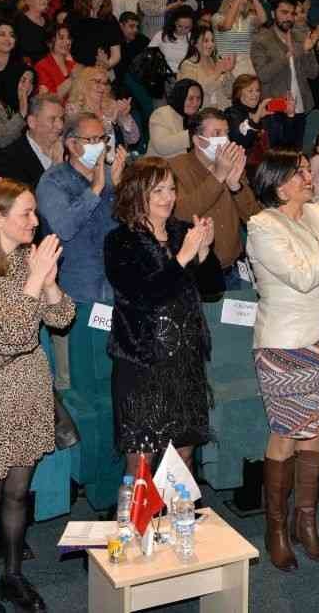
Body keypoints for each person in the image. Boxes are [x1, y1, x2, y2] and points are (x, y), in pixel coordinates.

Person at [0, 180, 74, 613]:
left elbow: (60, 319)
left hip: (28, 383)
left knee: (19, 492)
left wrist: (51, 284)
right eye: (25, 214)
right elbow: (5, 334)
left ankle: (12, 576)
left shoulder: (30, 261)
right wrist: (36, 279)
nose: (35, 221)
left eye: (34, 213)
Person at [245, 151, 319, 571]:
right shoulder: (262, 226)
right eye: (301, 173)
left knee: (315, 432)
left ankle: (305, 523)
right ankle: (275, 529)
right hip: (285, 344)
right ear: (280, 185)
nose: (310, 177)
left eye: (308, 171)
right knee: (286, 433)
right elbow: (302, 275)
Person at [103, 158, 217, 471]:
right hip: (142, 364)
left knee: (183, 457)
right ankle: (135, 522)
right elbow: (144, 296)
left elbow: (212, 288)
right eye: (158, 190)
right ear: (138, 194)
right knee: (142, 462)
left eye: (171, 189)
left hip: (184, 363)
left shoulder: (182, 231)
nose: (168, 197)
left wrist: (205, 251)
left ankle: (178, 521)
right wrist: (182, 259)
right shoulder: (120, 241)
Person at [37, 112, 127, 303]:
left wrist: (121, 189)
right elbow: (65, 228)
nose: (100, 145)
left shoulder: (113, 176)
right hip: (75, 292)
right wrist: (95, 189)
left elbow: (130, 228)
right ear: (71, 144)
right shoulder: (53, 182)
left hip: (115, 286)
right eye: (92, 139)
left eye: (102, 138)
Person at [169, 109, 263, 272]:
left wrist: (236, 186)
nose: (224, 140)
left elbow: (254, 217)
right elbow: (182, 213)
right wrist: (218, 175)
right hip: (199, 270)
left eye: (226, 133)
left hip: (235, 264)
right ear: (198, 141)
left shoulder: (232, 163)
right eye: (217, 133)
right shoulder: (176, 167)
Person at [250, 0, 319, 151]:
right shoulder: (261, 40)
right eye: (284, 12)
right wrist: (290, 55)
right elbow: (263, 75)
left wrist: (308, 51)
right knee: (278, 157)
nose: (289, 17)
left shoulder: (300, 37)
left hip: (300, 105)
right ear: (272, 13)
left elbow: (313, 73)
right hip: (275, 107)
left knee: (296, 154)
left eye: (292, 13)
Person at [0, 91, 63, 190]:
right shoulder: (10, 158)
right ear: (32, 122)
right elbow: (30, 199)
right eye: (53, 119)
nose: (60, 125)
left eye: (61, 119)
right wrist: (56, 166)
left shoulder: (66, 149)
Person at [178, 26, 236, 110]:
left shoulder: (216, 61)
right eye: (206, 41)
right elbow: (194, 93)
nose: (211, 44)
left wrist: (228, 72)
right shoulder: (188, 65)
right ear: (194, 43)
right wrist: (216, 74)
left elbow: (230, 93)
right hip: (202, 114)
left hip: (223, 111)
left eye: (212, 41)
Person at [149, 78, 203, 158]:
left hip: (187, 167)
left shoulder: (198, 118)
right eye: (191, 98)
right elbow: (161, 146)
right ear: (180, 97)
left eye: (198, 98)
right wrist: (190, 135)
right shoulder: (161, 114)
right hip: (161, 167)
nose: (195, 103)